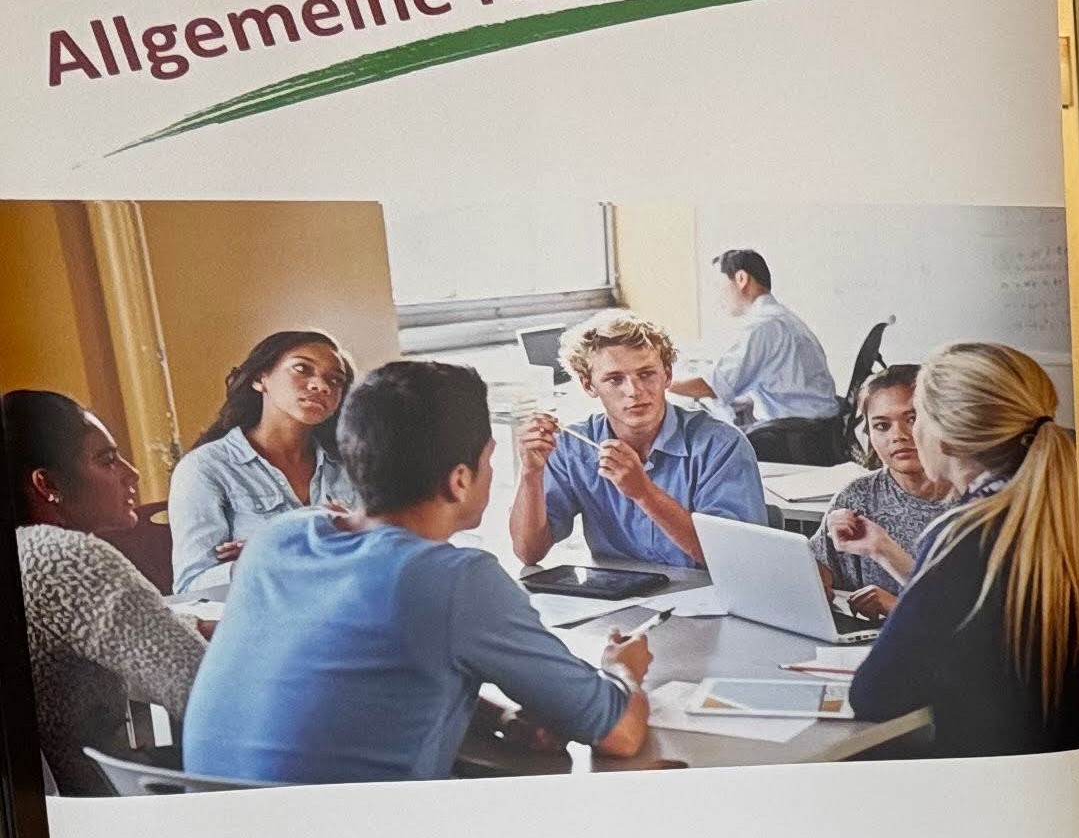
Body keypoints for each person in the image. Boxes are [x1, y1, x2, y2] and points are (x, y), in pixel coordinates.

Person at [183, 361, 652, 783]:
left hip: (217, 830)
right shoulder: (454, 579)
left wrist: (500, 718)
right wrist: (620, 669)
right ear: (460, 480)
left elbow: (355, 680)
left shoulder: (277, 540)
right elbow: (619, 734)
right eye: (488, 460)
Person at [849, 342, 1079, 757]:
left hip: (984, 769)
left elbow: (876, 693)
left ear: (945, 436)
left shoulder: (964, 533)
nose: (908, 433)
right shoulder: (1062, 509)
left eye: (916, 417)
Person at [9, 392, 204, 796]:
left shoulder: (25, 551)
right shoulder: (68, 559)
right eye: (107, 460)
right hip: (106, 802)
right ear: (48, 484)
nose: (132, 473)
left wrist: (192, 625)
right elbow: (205, 691)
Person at [511, 309, 767, 569]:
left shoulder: (720, 445)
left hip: (708, 591)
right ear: (589, 385)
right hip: (617, 592)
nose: (634, 391)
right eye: (615, 379)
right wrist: (531, 474)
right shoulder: (573, 447)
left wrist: (644, 493)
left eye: (646, 374)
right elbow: (528, 553)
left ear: (667, 375)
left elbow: (734, 559)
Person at [164, 328, 357, 597]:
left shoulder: (354, 466)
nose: (321, 386)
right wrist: (263, 560)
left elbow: (386, 554)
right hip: (265, 617)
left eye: (335, 380)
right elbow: (191, 587)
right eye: (302, 369)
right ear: (259, 378)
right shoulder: (204, 468)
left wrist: (284, 548)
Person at [672, 247, 851, 464]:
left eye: (719, 285)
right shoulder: (783, 319)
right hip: (818, 432)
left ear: (741, 279)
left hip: (794, 437)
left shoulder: (763, 326)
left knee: (699, 450)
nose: (717, 297)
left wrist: (662, 382)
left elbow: (711, 387)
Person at [811, 364, 957, 620]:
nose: (898, 435)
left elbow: (975, 618)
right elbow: (819, 566)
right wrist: (815, 582)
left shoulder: (975, 502)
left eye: (912, 419)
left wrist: (897, 607)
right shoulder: (857, 496)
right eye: (881, 426)